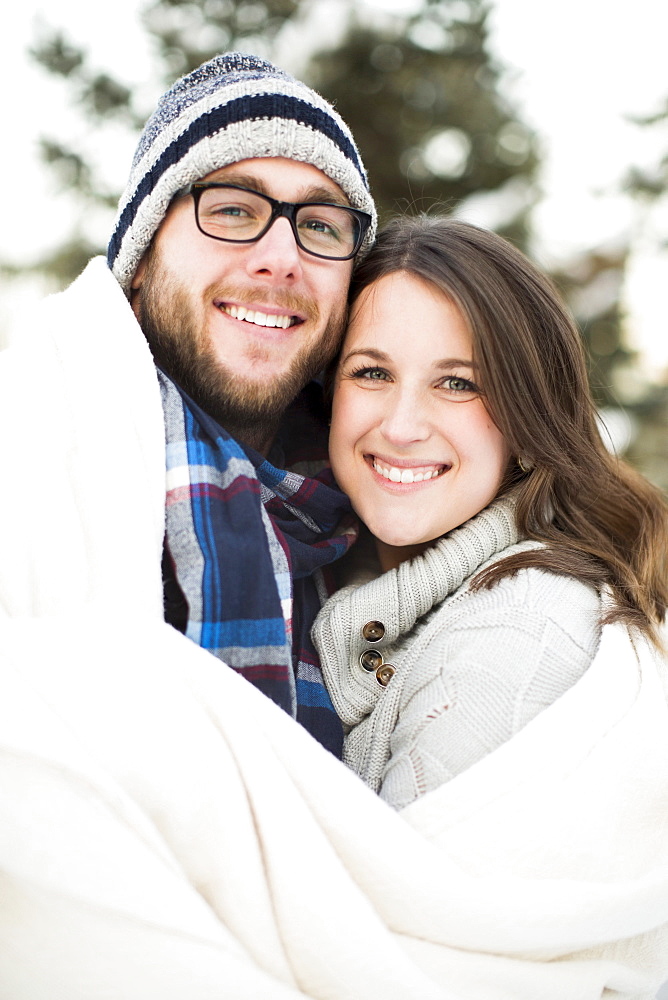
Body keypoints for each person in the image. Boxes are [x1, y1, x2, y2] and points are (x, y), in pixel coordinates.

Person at [0, 52, 377, 756]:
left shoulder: (380, 515)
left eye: (322, 226)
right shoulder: (23, 452)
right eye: (234, 209)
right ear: (139, 260)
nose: (281, 256)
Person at [313, 214, 668, 804]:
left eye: (458, 383)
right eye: (372, 372)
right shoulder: (325, 584)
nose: (401, 428)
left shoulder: (519, 628)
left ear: (529, 422)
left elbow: (405, 896)